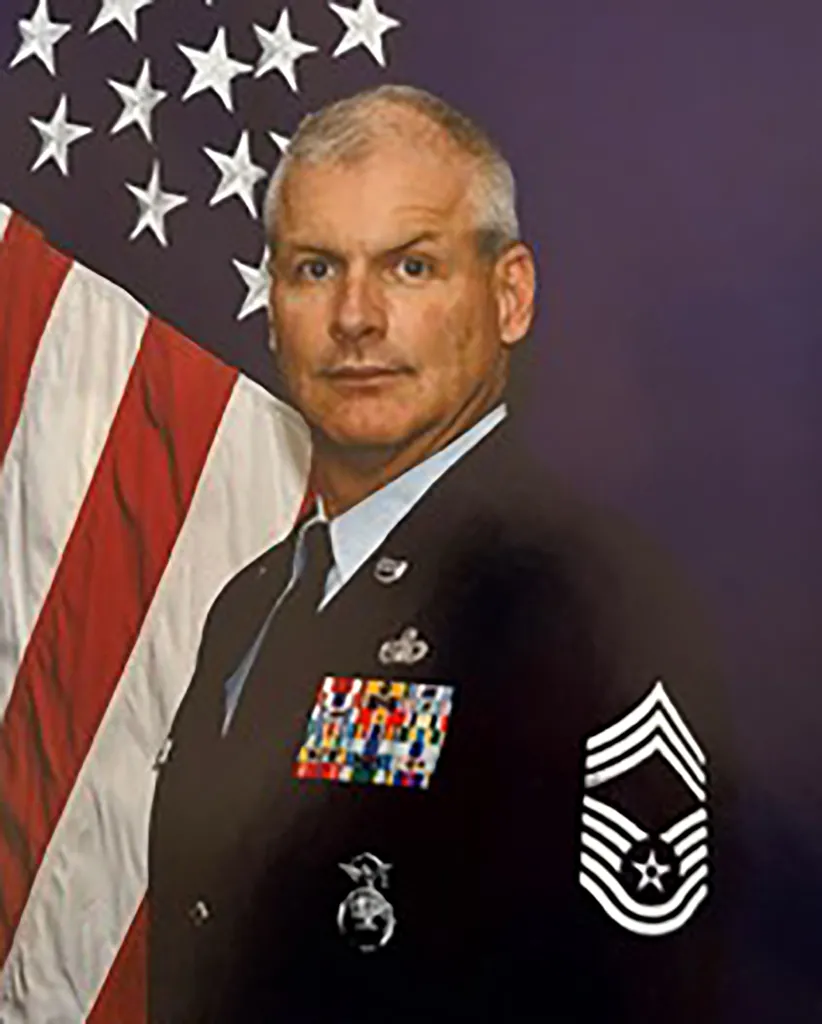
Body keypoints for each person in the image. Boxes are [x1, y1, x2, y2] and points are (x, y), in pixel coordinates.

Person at [147, 84, 734, 1023]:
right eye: (313, 269)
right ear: (271, 308)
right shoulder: (254, 607)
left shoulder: (593, 610)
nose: (355, 318)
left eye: (411, 268)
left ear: (510, 296)